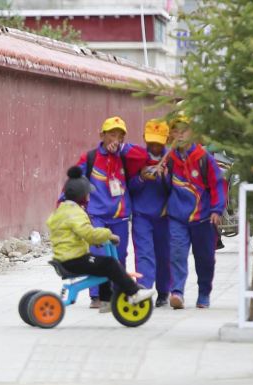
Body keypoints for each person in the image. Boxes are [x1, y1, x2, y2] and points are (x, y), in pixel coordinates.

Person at [60, 116, 140, 309]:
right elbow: (74, 180)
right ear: (101, 135)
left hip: (120, 217)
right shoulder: (91, 157)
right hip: (96, 215)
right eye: (112, 134)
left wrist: (124, 148)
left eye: (120, 135)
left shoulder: (125, 156)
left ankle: (114, 294)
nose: (116, 138)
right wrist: (62, 202)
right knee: (98, 255)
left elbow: (143, 157)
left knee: (119, 257)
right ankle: (96, 296)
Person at [48, 166, 155, 308]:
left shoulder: (61, 210)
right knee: (110, 264)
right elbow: (89, 233)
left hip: (64, 258)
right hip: (74, 260)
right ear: (81, 195)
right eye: (88, 194)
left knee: (102, 264)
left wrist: (97, 239)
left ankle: (106, 300)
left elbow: (72, 234)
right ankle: (134, 293)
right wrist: (108, 234)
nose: (89, 197)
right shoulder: (75, 212)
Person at [164, 114, 226, 309]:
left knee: (205, 259)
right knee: (176, 254)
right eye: (176, 131)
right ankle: (177, 292)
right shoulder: (169, 159)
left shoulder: (203, 158)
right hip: (177, 217)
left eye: (184, 130)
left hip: (203, 217)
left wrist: (217, 210)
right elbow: (166, 187)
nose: (180, 135)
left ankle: (204, 293)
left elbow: (218, 185)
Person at [128, 119, 172, 307]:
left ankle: (163, 292)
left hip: (165, 216)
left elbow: (175, 190)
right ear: (145, 138)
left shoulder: (172, 159)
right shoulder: (136, 158)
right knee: (144, 254)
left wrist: (165, 178)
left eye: (159, 143)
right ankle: (144, 289)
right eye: (151, 142)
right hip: (141, 215)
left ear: (166, 140)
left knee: (164, 255)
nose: (154, 146)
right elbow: (128, 186)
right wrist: (140, 178)